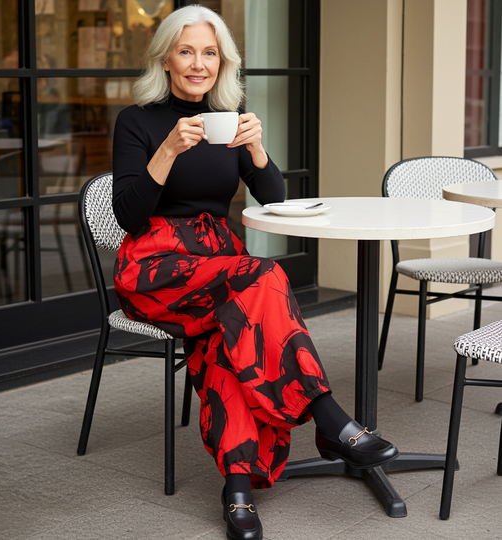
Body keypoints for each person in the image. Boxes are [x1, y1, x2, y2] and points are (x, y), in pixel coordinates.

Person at [112, 5, 398, 540]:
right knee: (262, 276)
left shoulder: (230, 115)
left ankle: (238, 489)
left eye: (210, 53)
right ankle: (329, 417)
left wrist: (257, 149)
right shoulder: (139, 121)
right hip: (156, 267)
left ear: (223, 63)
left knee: (230, 336)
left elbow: (274, 198)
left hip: (219, 265)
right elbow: (127, 214)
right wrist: (168, 150)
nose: (199, 63)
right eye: (187, 51)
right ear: (167, 58)